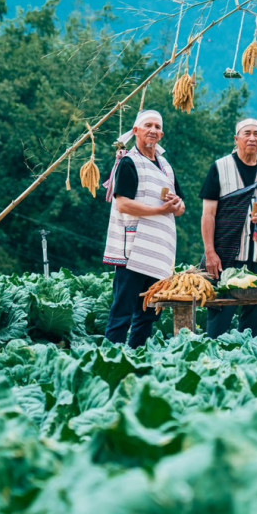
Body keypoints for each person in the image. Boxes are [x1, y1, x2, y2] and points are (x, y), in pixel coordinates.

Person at [102, 109, 186, 347]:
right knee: (122, 313)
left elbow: (180, 206)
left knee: (148, 315)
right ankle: (111, 359)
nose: (154, 131)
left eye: (158, 127)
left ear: (162, 134)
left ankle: (137, 358)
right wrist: (160, 211)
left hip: (158, 252)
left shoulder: (166, 166)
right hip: (133, 251)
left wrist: (177, 205)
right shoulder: (129, 162)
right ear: (136, 131)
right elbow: (124, 204)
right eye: (148, 125)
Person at [199, 117, 257, 337]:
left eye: (256, 134)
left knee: (255, 324)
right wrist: (210, 252)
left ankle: (249, 363)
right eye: (246, 133)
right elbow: (208, 214)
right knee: (220, 317)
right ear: (236, 138)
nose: (252, 138)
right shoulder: (221, 167)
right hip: (227, 255)